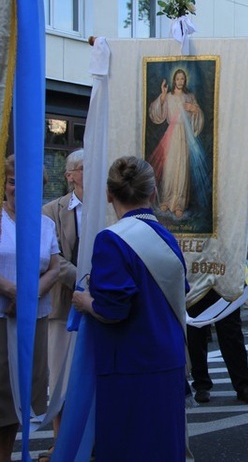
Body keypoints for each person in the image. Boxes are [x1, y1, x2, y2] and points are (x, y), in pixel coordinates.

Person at [72, 156, 188, 461]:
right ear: (152, 193)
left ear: (109, 194)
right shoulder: (167, 237)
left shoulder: (110, 240)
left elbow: (113, 310)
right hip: (167, 359)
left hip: (130, 364)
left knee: (129, 448)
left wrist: (86, 302)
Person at [0, 156, 60, 462]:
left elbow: (55, 265)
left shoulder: (45, 224)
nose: (18, 189)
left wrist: (30, 294)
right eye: (13, 182)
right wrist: (11, 291)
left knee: (21, 397)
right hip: (1, 319)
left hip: (33, 318)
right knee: (1, 398)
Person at [40, 149, 83, 460]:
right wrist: (86, 280)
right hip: (63, 307)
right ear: (69, 175)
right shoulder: (51, 211)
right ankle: (59, 442)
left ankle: (90, 440)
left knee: (91, 374)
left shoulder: (106, 208)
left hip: (98, 306)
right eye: (84, 168)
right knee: (60, 379)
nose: (89, 173)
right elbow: (54, 258)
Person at [148, 68, 209, 219]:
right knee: (169, 168)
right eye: (178, 79)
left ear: (185, 80)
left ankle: (179, 204)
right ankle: (167, 200)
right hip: (171, 134)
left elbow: (199, 116)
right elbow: (156, 114)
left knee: (182, 169)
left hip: (184, 135)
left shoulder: (189, 97)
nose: (180, 81)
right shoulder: (168, 97)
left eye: (182, 79)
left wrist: (194, 109)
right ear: (174, 80)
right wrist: (162, 96)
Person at [187, 288, 248, 405]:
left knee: (233, 338)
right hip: (197, 286)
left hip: (224, 286)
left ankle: (243, 386)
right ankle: (201, 385)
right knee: (195, 338)